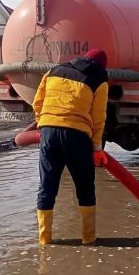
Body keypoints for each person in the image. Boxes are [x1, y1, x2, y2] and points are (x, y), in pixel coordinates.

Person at [32, 49, 109, 245]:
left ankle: (45, 239)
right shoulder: (99, 79)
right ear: (102, 65)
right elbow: (99, 116)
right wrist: (97, 148)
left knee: (47, 185)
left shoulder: (54, 71)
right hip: (77, 135)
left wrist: (44, 123)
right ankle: (88, 238)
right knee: (84, 186)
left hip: (48, 133)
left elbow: (37, 102)